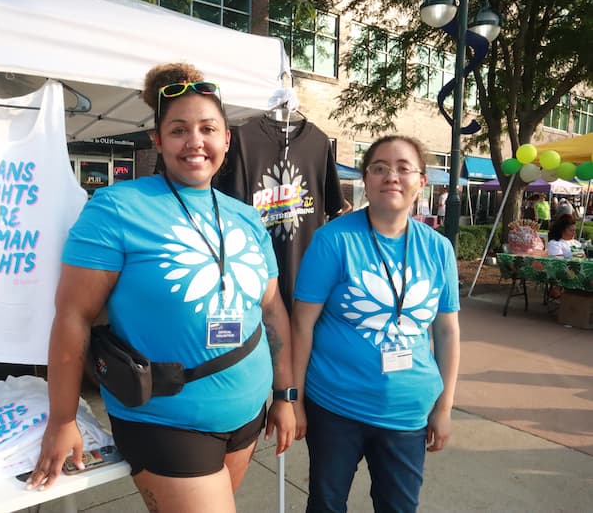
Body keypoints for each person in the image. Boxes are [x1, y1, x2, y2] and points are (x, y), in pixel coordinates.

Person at [26, 62, 296, 513]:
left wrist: (285, 395)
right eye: (179, 130)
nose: (195, 141)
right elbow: (73, 314)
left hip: (249, 415)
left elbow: (272, 312)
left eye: (208, 128)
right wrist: (62, 418)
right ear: (158, 141)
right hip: (164, 419)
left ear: (226, 140)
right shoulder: (116, 208)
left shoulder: (247, 217)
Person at [290, 135, 461, 513]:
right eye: (379, 168)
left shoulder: (438, 249)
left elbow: (447, 332)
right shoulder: (333, 240)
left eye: (403, 168)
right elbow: (301, 325)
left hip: (408, 410)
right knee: (326, 504)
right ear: (365, 179)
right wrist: (295, 400)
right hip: (335, 405)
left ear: (422, 181)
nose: (391, 177)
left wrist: (444, 408)